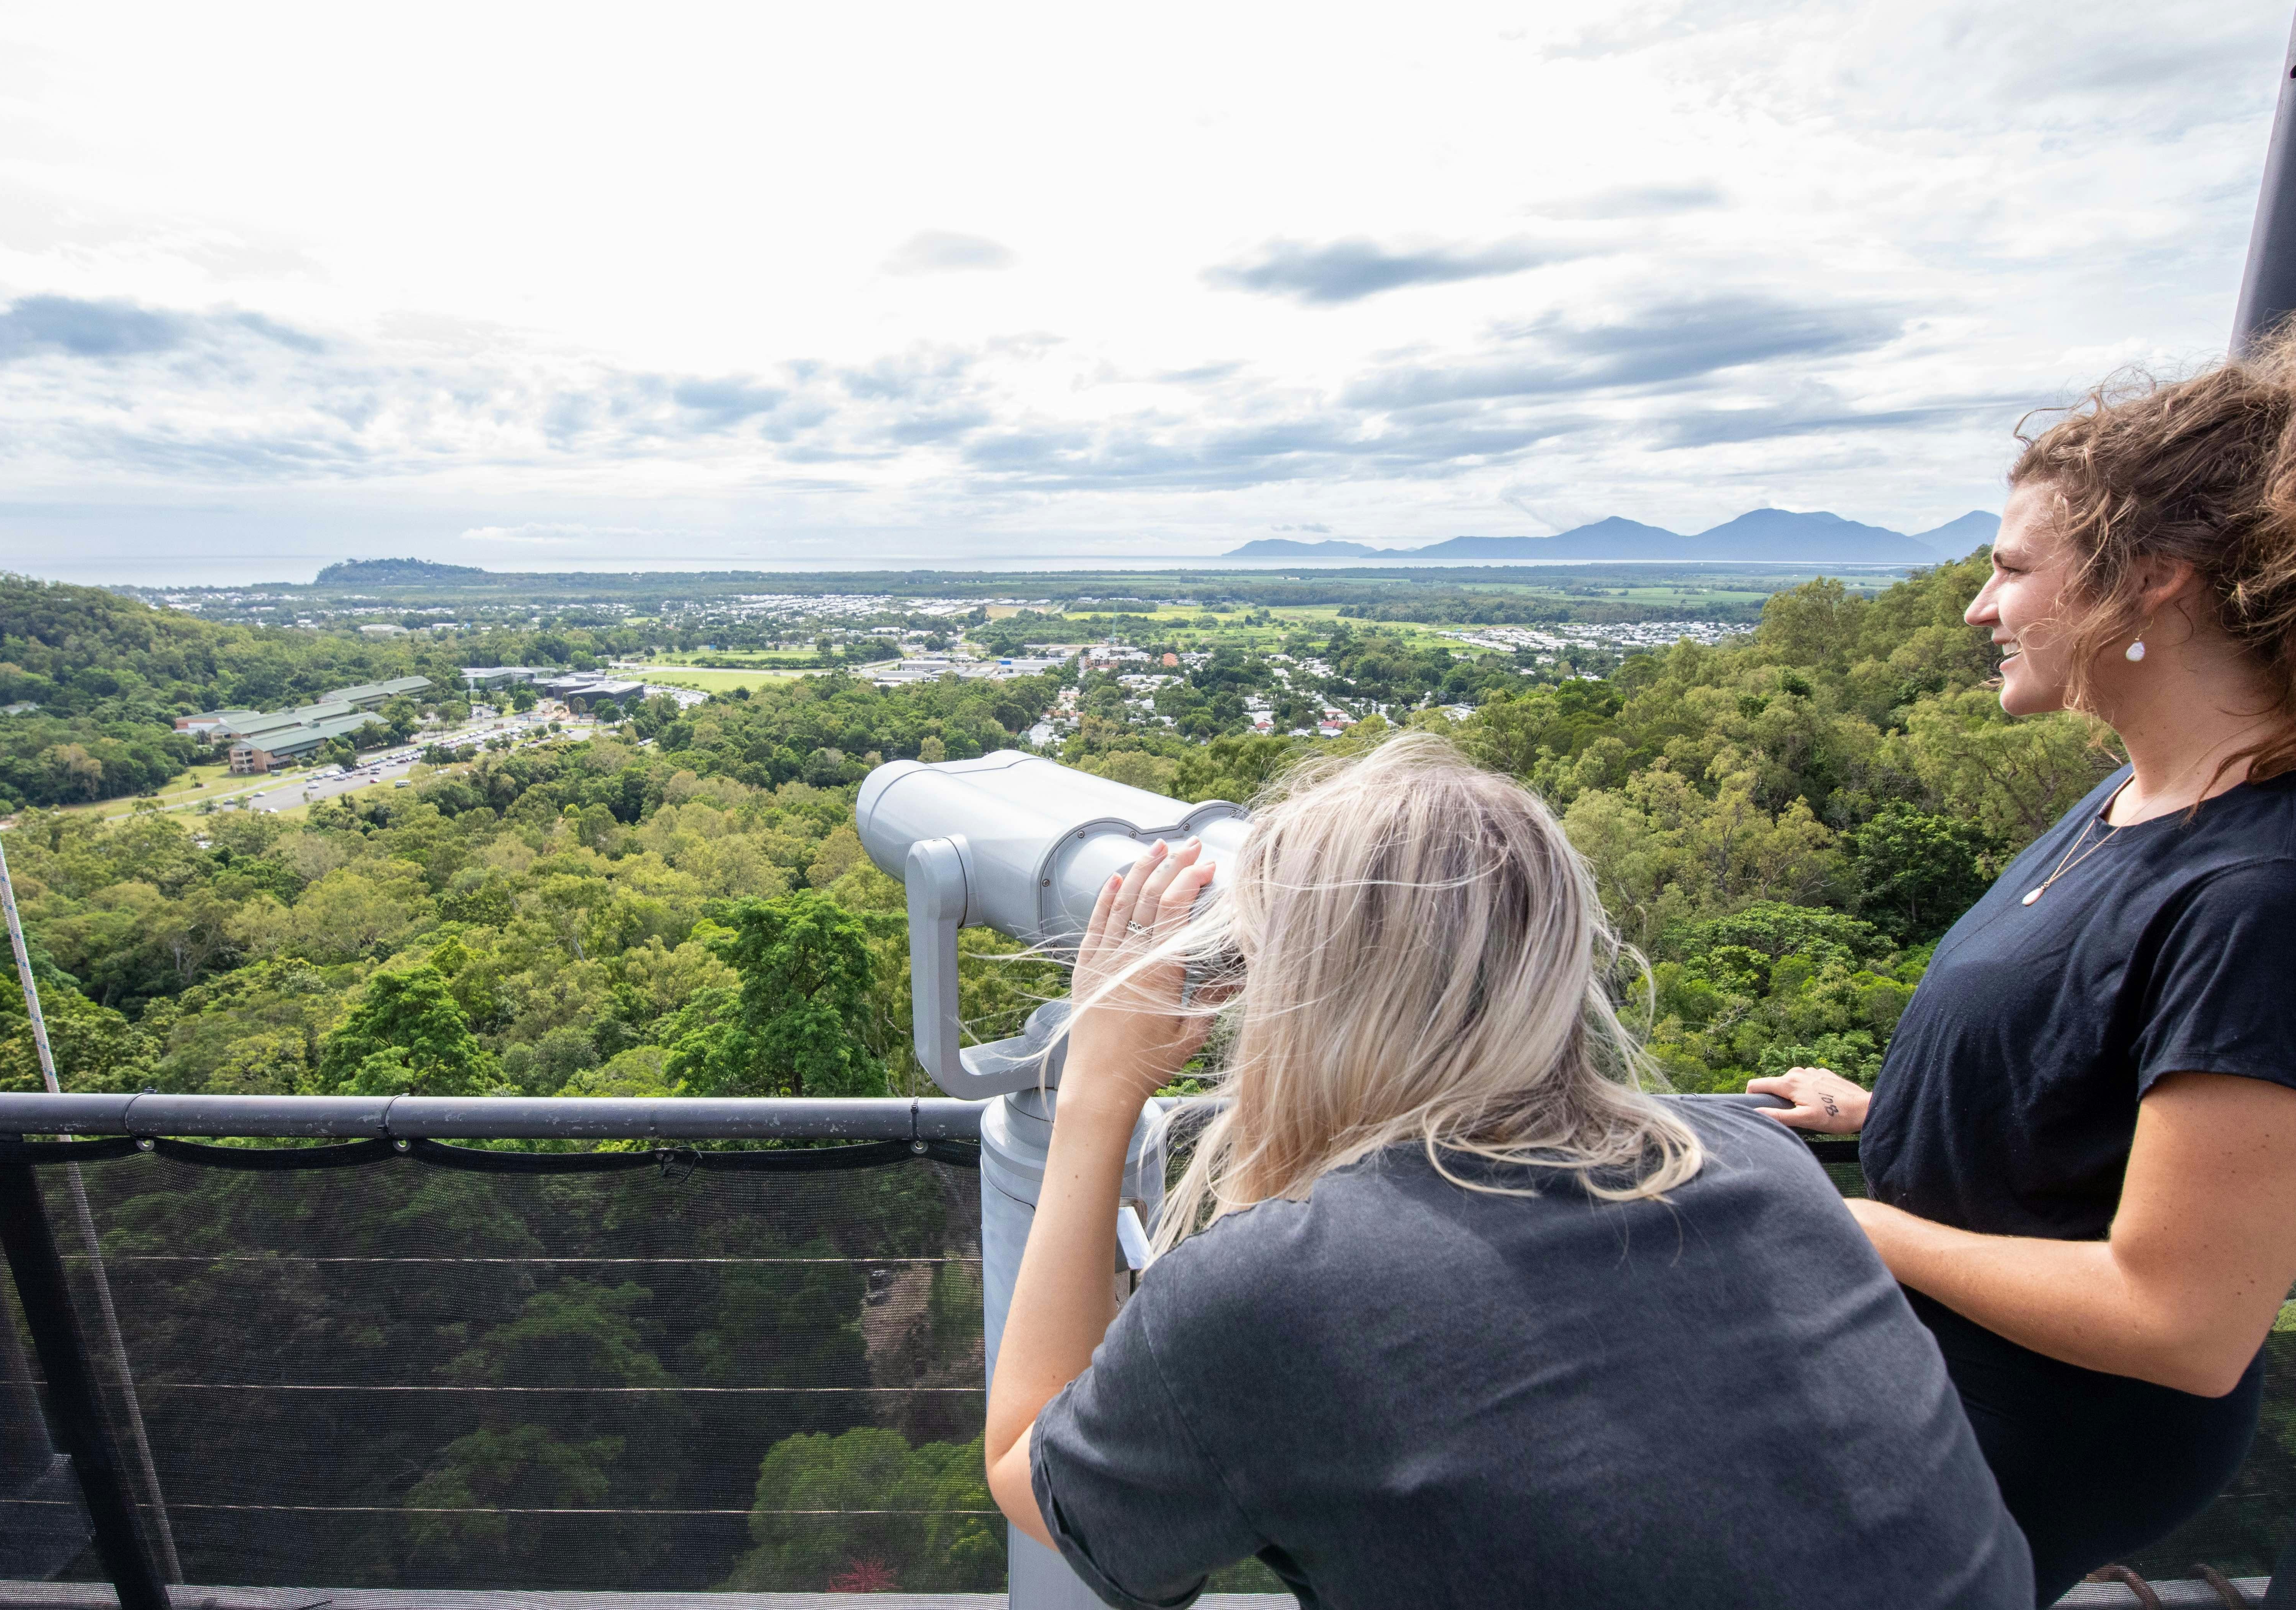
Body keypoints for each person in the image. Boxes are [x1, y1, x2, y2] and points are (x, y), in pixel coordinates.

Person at [983, 733, 2031, 1610]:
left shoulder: (1278, 1288)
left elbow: (1033, 1470)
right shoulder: (1763, 1159)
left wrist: (1097, 1096)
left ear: (1308, 998)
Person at [1751, 344, 2296, 1606]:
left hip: (2031, 1437)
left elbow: (2184, 1318)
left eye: (2009, 569)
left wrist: (1864, 1228)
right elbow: (2102, 1115)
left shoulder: (2258, 895)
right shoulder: (2134, 797)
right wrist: (1888, 1120)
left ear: (2154, 581)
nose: (1977, 609)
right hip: (1946, 1380)